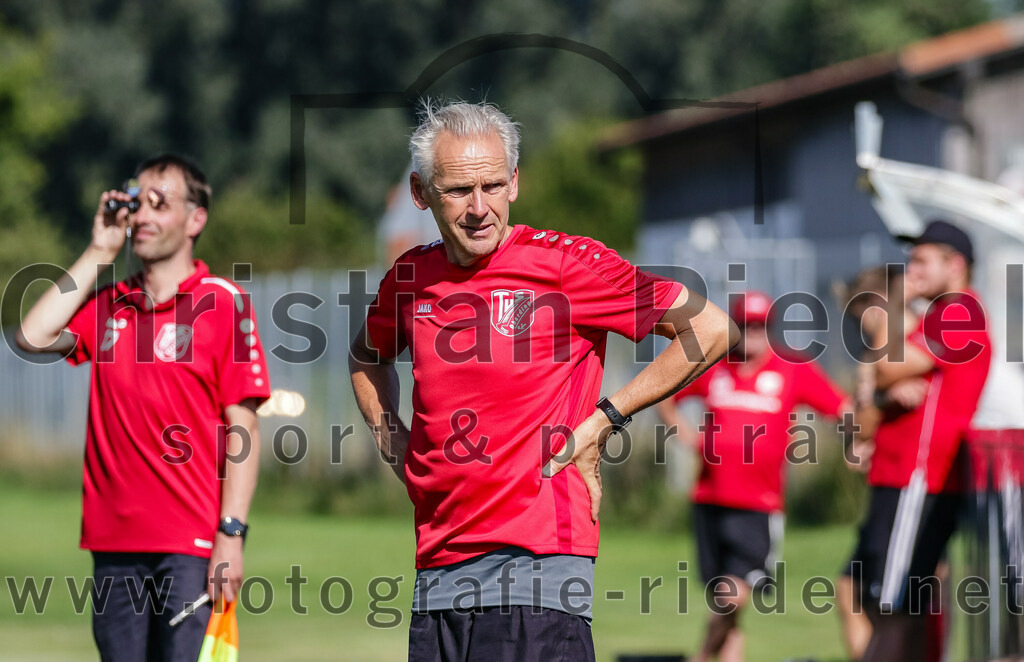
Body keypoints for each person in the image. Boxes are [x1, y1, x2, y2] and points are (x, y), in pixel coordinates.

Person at [349, 100, 738, 661]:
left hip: (538, 565)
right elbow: (367, 355)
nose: (478, 208)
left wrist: (604, 420)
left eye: (491, 186)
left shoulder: (565, 265)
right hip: (437, 563)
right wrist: (395, 443)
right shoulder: (410, 277)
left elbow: (709, 328)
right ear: (421, 192)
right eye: (459, 191)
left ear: (514, 183)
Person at [16, 154, 270, 662]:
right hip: (112, 544)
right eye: (137, 204)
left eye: (160, 203)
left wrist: (232, 533)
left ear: (196, 218)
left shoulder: (223, 302)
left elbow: (243, 431)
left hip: (191, 545)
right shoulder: (110, 304)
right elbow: (32, 335)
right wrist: (98, 249)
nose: (144, 217)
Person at [655, 290, 852, 662]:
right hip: (709, 499)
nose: (753, 334)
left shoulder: (792, 369)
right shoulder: (715, 365)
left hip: (758, 505)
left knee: (733, 597)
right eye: (745, 326)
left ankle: (699, 657)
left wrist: (858, 444)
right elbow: (665, 394)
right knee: (723, 601)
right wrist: (683, 433)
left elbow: (842, 408)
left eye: (760, 327)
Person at [845, 220, 992, 662]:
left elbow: (883, 366)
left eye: (924, 260)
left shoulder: (960, 312)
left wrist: (893, 304)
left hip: (919, 479)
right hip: (899, 477)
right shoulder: (937, 314)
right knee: (890, 605)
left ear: (957, 264)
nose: (913, 270)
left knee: (892, 610)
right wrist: (879, 382)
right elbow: (872, 379)